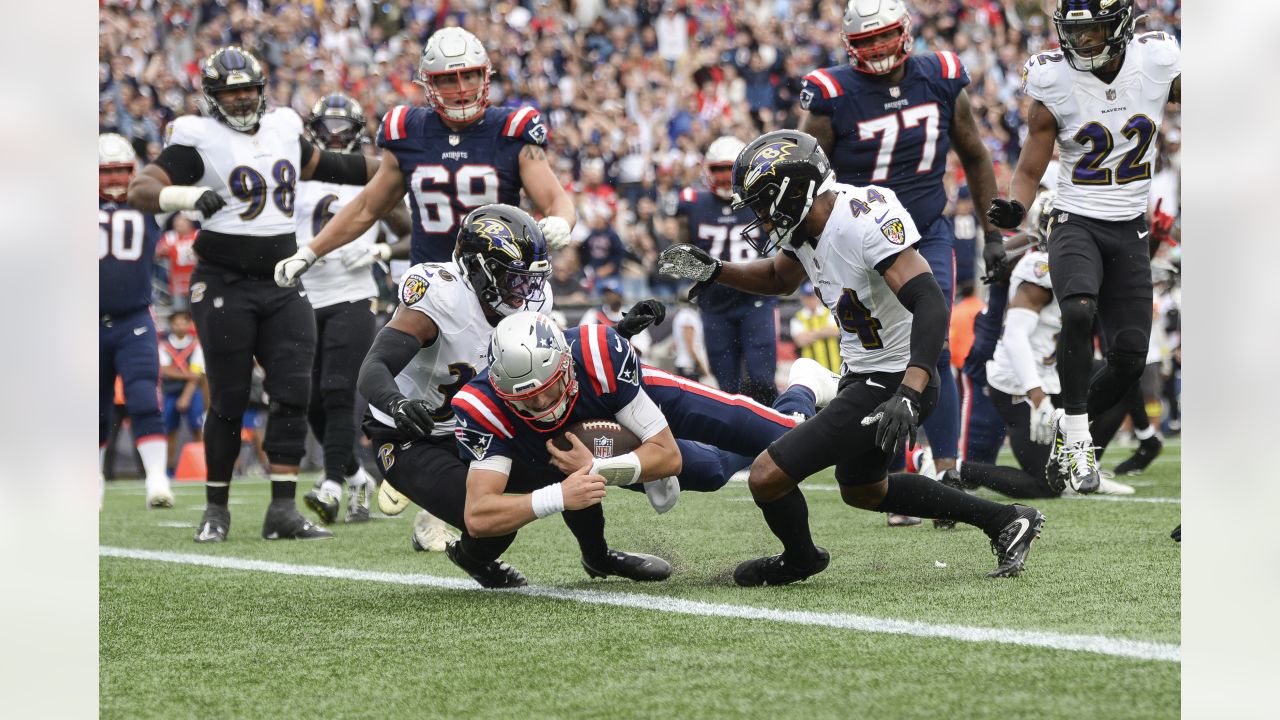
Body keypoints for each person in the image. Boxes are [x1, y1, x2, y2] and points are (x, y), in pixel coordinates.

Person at [659, 130, 1044, 584]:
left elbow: (930, 300)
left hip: (895, 379)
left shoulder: (862, 220)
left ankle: (800, 559)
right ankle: (1005, 521)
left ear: (795, 191)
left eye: (764, 203)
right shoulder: (807, 225)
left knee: (766, 475)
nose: (761, 218)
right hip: (865, 373)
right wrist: (718, 271)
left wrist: (909, 391)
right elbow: (780, 278)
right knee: (864, 490)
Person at [128, 46, 384, 542]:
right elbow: (142, 187)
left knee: (292, 391)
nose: (242, 99)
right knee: (227, 395)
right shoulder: (197, 138)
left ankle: (282, 510)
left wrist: (395, 167)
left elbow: (327, 164)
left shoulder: (284, 126)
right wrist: (183, 196)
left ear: (262, 90)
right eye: (231, 92)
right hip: (224, 281)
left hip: (283, 281)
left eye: (248, 89)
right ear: (212, 97)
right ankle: (217, 508)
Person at [356, 205, 669, 586]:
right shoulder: (440, 296)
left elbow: (550, 353)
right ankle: (471, 558)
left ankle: (597, 556)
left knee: (570, 450)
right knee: (493, 526)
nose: (526, 292)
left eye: (531, 280)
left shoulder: (531, 300)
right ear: (477, 268)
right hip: (413, 436)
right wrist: (396, 403)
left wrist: (616, 332)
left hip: (478, 427)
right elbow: (374, 366)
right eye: (513, 279)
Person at [451, 310, 832, 584]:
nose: (541, 405)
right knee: (711, 472)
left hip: (640, 401)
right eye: (526, 400)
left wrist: (600, 470)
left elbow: (667, 454)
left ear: (564, 362)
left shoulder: (597, 353)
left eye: (547, 388)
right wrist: (559, 496)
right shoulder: (483, 406)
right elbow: (479, 517)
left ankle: (804, 386)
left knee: (786, 436)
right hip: (584, 448)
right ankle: (598, 554)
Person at [798, 0, 1006, 486]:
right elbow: (807, 170)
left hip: (926, 230)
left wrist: (993, 233)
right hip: (856, 238)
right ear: (850, 45)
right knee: (875, 353)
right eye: (866, 40)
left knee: (931, 345)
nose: (877, 48)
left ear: (906, 31)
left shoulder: (940, 75)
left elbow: (975, 156)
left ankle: (948, 470)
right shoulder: (832, 92)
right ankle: (892, 470)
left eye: (883, 36)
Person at [986, 0, 1180, 493]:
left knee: (1131, 358)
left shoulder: (1156, 61)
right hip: (1077, 219)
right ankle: (1075, 437)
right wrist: (1016, 206)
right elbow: (1030, 169)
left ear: (1119, 27)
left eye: (1094, 31)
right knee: (1076, 311)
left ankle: (1063, 421)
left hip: (1130, 226)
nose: (1083, 42)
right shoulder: (1054, 79)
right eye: (1076, 32)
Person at [273, 26, 577, 285]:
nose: (460, 88)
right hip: (430, 284)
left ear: (485, 76)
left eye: (469, 76)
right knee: (391, 353)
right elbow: (367, 207)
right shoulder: (409, 130)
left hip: (501, 283)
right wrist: (311, 251)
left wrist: (562, 221)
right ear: (429, 82)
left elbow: (554, 198)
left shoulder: (511, 129)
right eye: (448, 79)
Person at [293, 93, 409, 526]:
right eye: (329, 128)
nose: (336, 136)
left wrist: (380, 247)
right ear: (313, 131)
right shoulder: (299, 175)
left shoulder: (372, 177)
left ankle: (330, 485)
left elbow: (412, 232)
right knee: (306, 397)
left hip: (354, 292)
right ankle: (357, 474)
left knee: (339, 390)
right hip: (303, 295)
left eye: (344, 128)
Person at [673, 135, 779, 404]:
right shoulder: (692, 203)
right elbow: (683, 246)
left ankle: (774, 433)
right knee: (726, 388)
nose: (722, 176)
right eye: (717, 169)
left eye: (728, 169)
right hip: (715, 303)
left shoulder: (761, 199)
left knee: (763, 380)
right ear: (707, 169)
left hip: (755, 298)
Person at [99, 132, 173, 509]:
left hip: (134, 320)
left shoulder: (147, 203)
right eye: (106, 171)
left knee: (144, 395)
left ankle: (157, 479)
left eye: (121, 170)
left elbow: (176, 186)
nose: (114, 179)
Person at [158, 310, 205, 475]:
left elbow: (197, 375)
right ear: (171, 325)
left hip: (192, 393)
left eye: (184, 322)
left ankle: (203, 467)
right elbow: (164, 370)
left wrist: (185, 396)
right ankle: (169, 468)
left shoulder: (196, 345)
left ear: (189, 324)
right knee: (170, 431)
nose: (180, 326)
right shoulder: (164, 345)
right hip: (170, 393)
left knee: (197, 429)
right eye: (177, 323)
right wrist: (188, 374)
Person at [790, 283, 842, 375]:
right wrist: (823, 332)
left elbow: (837, 331)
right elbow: (801, 341)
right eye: (807, 297)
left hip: (834, 368)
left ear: (818, 297)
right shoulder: (797, 318)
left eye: (813, 297)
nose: (811, 301)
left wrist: (811, 333)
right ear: (802, 299)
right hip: (811, 371)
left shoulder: (830, 312)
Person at [670, 295, 709, 381]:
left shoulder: (680, 315)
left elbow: (674, 345)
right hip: (689, 366)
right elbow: (690, 346)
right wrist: (700, 365)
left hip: (682, 364)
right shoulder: (689, 316)